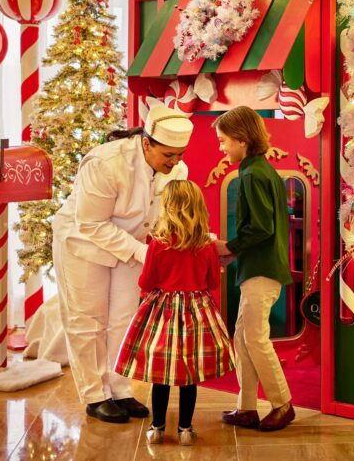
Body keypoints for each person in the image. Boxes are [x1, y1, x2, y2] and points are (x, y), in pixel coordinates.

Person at [52, 104, 192, 424]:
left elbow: (165, 213)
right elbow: (90, 224)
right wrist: (146, 254)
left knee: (123, 320)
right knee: (88, 320)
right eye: (168, 154)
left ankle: (120, 387)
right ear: (147, 143)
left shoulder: (176, 171)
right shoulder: (105, 163)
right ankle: (94, 394)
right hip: (83, 244)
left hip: (134, 245)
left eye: (180, 155)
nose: (175, 162)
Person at [115, 180, 235, 446]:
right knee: (188, 374)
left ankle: (157, 428)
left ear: (167, 207)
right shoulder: (205, 244)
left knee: (163, 373)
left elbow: (146, 282)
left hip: (163, 313)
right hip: (197, 313)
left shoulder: (158, 244)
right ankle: (185, 430)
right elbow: (213, 282)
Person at [212, 106, 295, 432]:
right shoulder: (264, 170)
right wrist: (237, 254)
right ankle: (246, 407)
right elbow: (269, 227)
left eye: (224, 141)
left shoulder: (250, 175)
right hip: (260, 267)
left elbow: (260, 227)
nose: (222, 148)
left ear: (242, 140)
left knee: (255, 338)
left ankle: (282, 404)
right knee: (242, 337)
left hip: (261, 271)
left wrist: (229, 247)